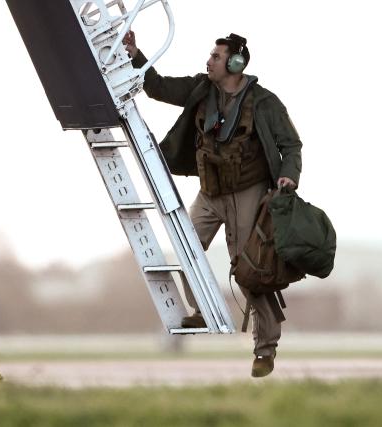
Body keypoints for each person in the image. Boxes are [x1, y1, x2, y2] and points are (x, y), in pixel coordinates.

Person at [123, 31, 302, 377]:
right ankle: (202, 308)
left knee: (251, 268)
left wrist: (288, 176)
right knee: (186, 246)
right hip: (210, 192)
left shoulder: (265, 102)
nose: (209, 61)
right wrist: (134, 53)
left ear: (235, 63)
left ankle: (265, 348)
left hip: (247, 191)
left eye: (216, 57)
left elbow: (291, 145)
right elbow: (157, 86)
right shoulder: (201, 90)